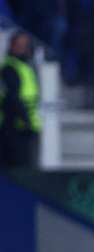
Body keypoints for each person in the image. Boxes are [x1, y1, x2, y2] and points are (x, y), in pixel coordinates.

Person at [0, 30, 41, 166]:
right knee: (20, 173)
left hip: (26, 128)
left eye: (25, 45)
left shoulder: (25, 67)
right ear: (11, 46)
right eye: (19, 45)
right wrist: (26, 120)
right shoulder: (9, 69)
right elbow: (12, 99)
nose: (23, 49)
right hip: (16, 129)